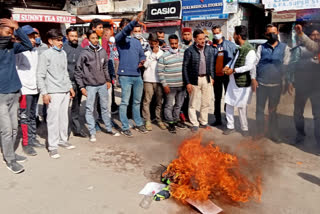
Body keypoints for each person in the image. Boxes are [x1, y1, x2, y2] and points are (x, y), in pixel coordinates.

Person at [0, 11, 32, 173]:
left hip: (14, 92)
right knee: (6, 129)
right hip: (0, 96)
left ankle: (9, 152)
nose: (11, 35)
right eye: (8, 31)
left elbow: (29, 45)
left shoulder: (12, 46)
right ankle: (10, 160)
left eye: (11, 32)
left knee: (13, 128)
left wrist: (17, 28)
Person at [37, 29, 76, 159]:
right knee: (53, 119)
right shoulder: (45, 55)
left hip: (64, 90)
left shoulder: (63, 53)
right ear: (50, 41)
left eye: (61, 40)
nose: (61, 42)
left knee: (64, 117)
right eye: (58, 40)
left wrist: (70, 87)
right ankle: (52, 146)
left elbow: (65, 72)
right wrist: (44, 93)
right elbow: (40, 75)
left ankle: (62, 139)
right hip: (53, 92)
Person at [75, 30, 120, 142]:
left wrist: (108, 80)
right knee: (90, 109)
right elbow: (78, 70)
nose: (95, 40)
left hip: (102, 85)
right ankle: (92, 132)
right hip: (90, 85)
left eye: (96, 38)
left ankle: (109, 128)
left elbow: (105, 67)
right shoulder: (84, 53)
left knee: (105, 108)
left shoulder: (102, 51)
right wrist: (82, 87)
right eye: (92, 38)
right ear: (88, 40)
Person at [255, 24, 291, 142]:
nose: (273, 35)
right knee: (259, 110)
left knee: (273, 111)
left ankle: (273, 133)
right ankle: (259, 132)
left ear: (278, 33)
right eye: (270, 33)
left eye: (274, 33)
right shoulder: (261, 48)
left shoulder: (285, 48)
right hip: (262, 84)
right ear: (266, 35)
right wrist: (253, 79)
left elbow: (287, 65)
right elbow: (254, 64)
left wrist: (286, 81)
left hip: (276, 85)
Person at [115, 12, 148, 137]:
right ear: (122, 28)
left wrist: (142, 60)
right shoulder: (120, 39)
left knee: (137, 101)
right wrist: (134, 21)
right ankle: (124, 126)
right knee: (125, 102)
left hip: (137, 75)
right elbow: (124, 32)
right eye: (128, 26)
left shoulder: (136, 41)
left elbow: (142, 54)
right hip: (125, 76)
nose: (131, 28)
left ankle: (138, 123)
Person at [222, 25, 258, 136]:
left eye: (234, 34)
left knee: (242, 107)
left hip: (242, 83)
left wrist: (233, 71)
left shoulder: (250, 50)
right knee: (229, 104)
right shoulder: (239, 49)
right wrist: (227, 66)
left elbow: (249, 66)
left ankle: (244, 129)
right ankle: (230, 126)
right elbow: (233, 61)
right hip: (233, 83)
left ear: (238, 36)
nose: (233, 37)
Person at [15, 25, 45, 157]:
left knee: (33, 116)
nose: (34, 39)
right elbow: (15, 70)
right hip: (25, 90)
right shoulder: (20, 51)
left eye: (34, 36)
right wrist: (19, 89)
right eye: (30, 37)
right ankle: (26, 144)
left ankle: (33, 140)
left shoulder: (35, 51)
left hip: (35, 89)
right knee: (25, 117)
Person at [288, 28, 320, 147]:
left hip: (317, 88)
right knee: (298, 112)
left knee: (317, 115)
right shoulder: (300, 49)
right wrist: (290, 81)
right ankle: (300, 134)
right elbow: (292, 66)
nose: (316, 37)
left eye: (318, 34)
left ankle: (318, 141)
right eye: (313, 34)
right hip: (302, 86)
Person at [183, 29, 215, 132]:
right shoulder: (189, 51)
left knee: (206, 102)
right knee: (193, 103)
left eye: (204, 38)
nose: (203, 41)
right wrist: (187, 82)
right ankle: (194, 123)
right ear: (195, 39)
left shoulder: (210, 49)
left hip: (207, 79)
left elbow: (212, 64)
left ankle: (203, 122)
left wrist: (212, 77)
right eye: (200, 39)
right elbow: (185, 67)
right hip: (194, 80)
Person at [158, 34, 186, 134]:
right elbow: (160, 71)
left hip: (181, 85)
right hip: (170, 86)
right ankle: (170, 123)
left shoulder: (183, 53)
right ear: (169, 43)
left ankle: (176, 119)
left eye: (175, 43)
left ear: (178, 43)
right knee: (169, 105)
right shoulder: (164, 56)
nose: (174, 46)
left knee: (179, 104)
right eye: (172, 44)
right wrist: (165, 85)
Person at [211, 24, 238, 126]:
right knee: (217, 98)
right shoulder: (212, 46)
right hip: (216, 77)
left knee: (228, 98)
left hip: (227, 76)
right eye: (214, 33)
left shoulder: (230, 45)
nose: (216, 35)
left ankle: (228, 118)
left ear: (221, 33)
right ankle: (217, 118)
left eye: (218, 33)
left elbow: (236, 58)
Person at [63, 27, 87, 138]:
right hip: (66, 82)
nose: (74, 38)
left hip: (78, 81)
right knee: (64, 108)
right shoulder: (63, 48)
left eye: (75, 36)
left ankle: (77, 129)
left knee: (76, 107)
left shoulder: (80, 49)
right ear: (67, 36)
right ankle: (64, 131)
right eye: (71, 36)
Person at [142, 33, 165, 131]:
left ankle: (159, 119)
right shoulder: (147, 53)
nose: (153, 44)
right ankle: (147, 120)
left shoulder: (163, 53)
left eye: (155, 42)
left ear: (158, 42)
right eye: (151, 42)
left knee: (159, 101)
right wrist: (152, 56)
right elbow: (145, 65)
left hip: (159, 80)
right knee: (147, 101)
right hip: (148, 79)